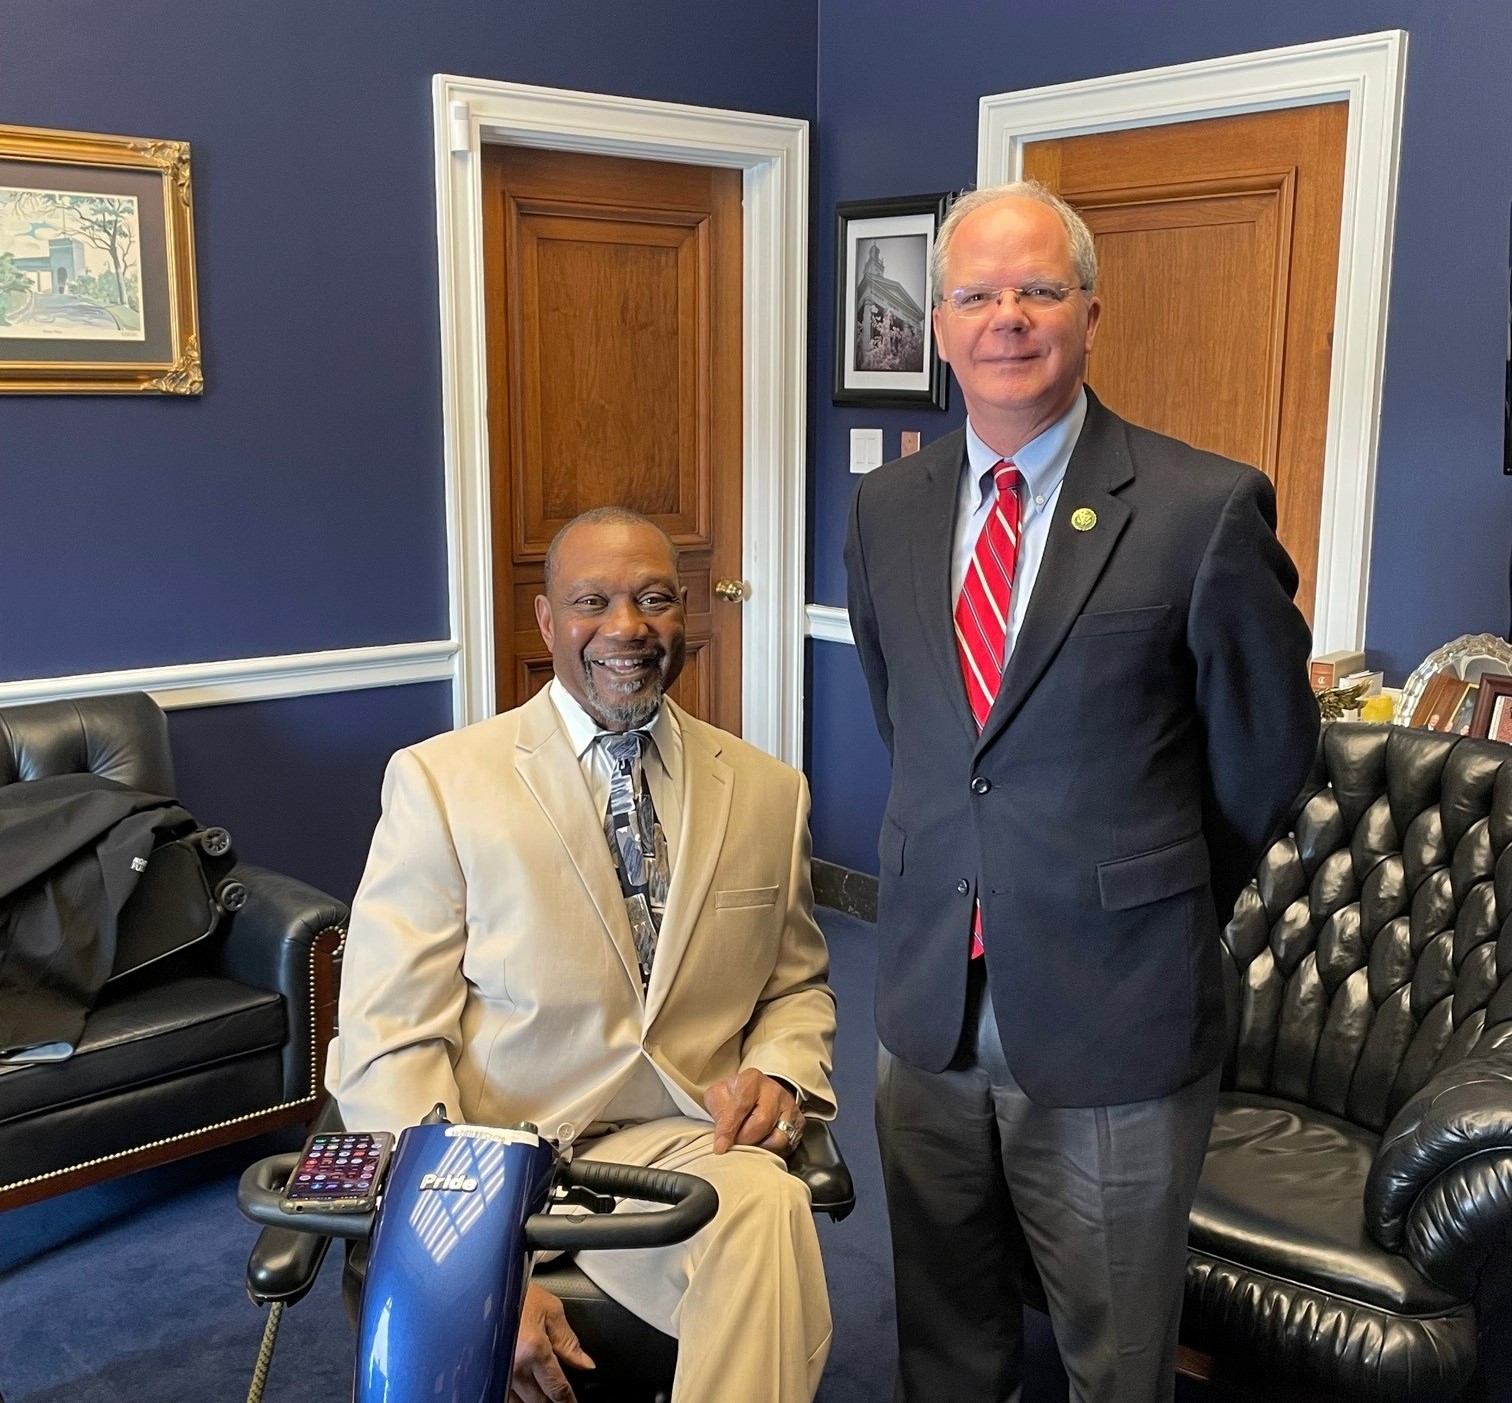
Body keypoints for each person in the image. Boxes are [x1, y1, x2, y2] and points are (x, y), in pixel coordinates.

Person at [843, 181, 1318, 1403]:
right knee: (944, 1336)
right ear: (939, 326)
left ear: (1091, 311)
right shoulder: (885, 507)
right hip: (925, 999)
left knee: (1114, 1355)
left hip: (1118, 1008)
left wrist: (1142, 892)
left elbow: (1265, 758)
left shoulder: (1203, 508)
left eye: (1039, 289)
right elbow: (916, 721)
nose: (1009, 316)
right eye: (977, 294)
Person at [329, 506, 836, 1403]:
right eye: (592, 601)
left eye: (654, 600)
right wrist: (478, 1270)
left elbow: (795, 985)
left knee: (770, 1204)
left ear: (687, 615)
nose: (627, 628)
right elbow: (388, 1043)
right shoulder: (442, 783)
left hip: (679, 1147)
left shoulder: (768, 791)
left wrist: (783, 1076)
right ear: (547, 622)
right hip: (497, 1168)